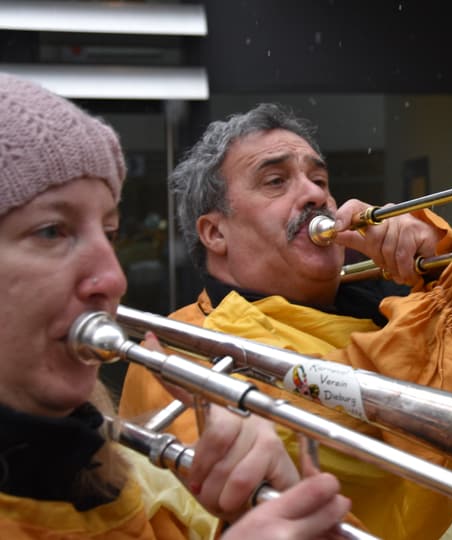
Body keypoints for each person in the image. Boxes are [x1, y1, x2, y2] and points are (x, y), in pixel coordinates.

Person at [118, 103, 452, 539]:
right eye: (276, 181)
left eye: (319, 178)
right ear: (215, 232)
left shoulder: (403, 302)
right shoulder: (184, 346)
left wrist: (446, 264)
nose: (315, 194)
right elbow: (326, 429)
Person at [0, 73, 352, 538]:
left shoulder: (96, 466)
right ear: (214, 233)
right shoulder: (180, 354)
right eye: (52, 231)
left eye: (109, 234)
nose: (114, 279)